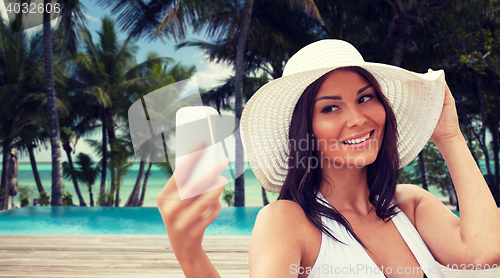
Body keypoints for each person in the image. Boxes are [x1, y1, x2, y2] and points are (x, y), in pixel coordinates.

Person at [156, 40, 500, 277]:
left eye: (365, 98)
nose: (357, 119)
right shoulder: (287, 222)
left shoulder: (409, 205)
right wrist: (189, 253)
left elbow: (485, 254)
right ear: (306, 128)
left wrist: (449, 136)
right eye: (331, 107)